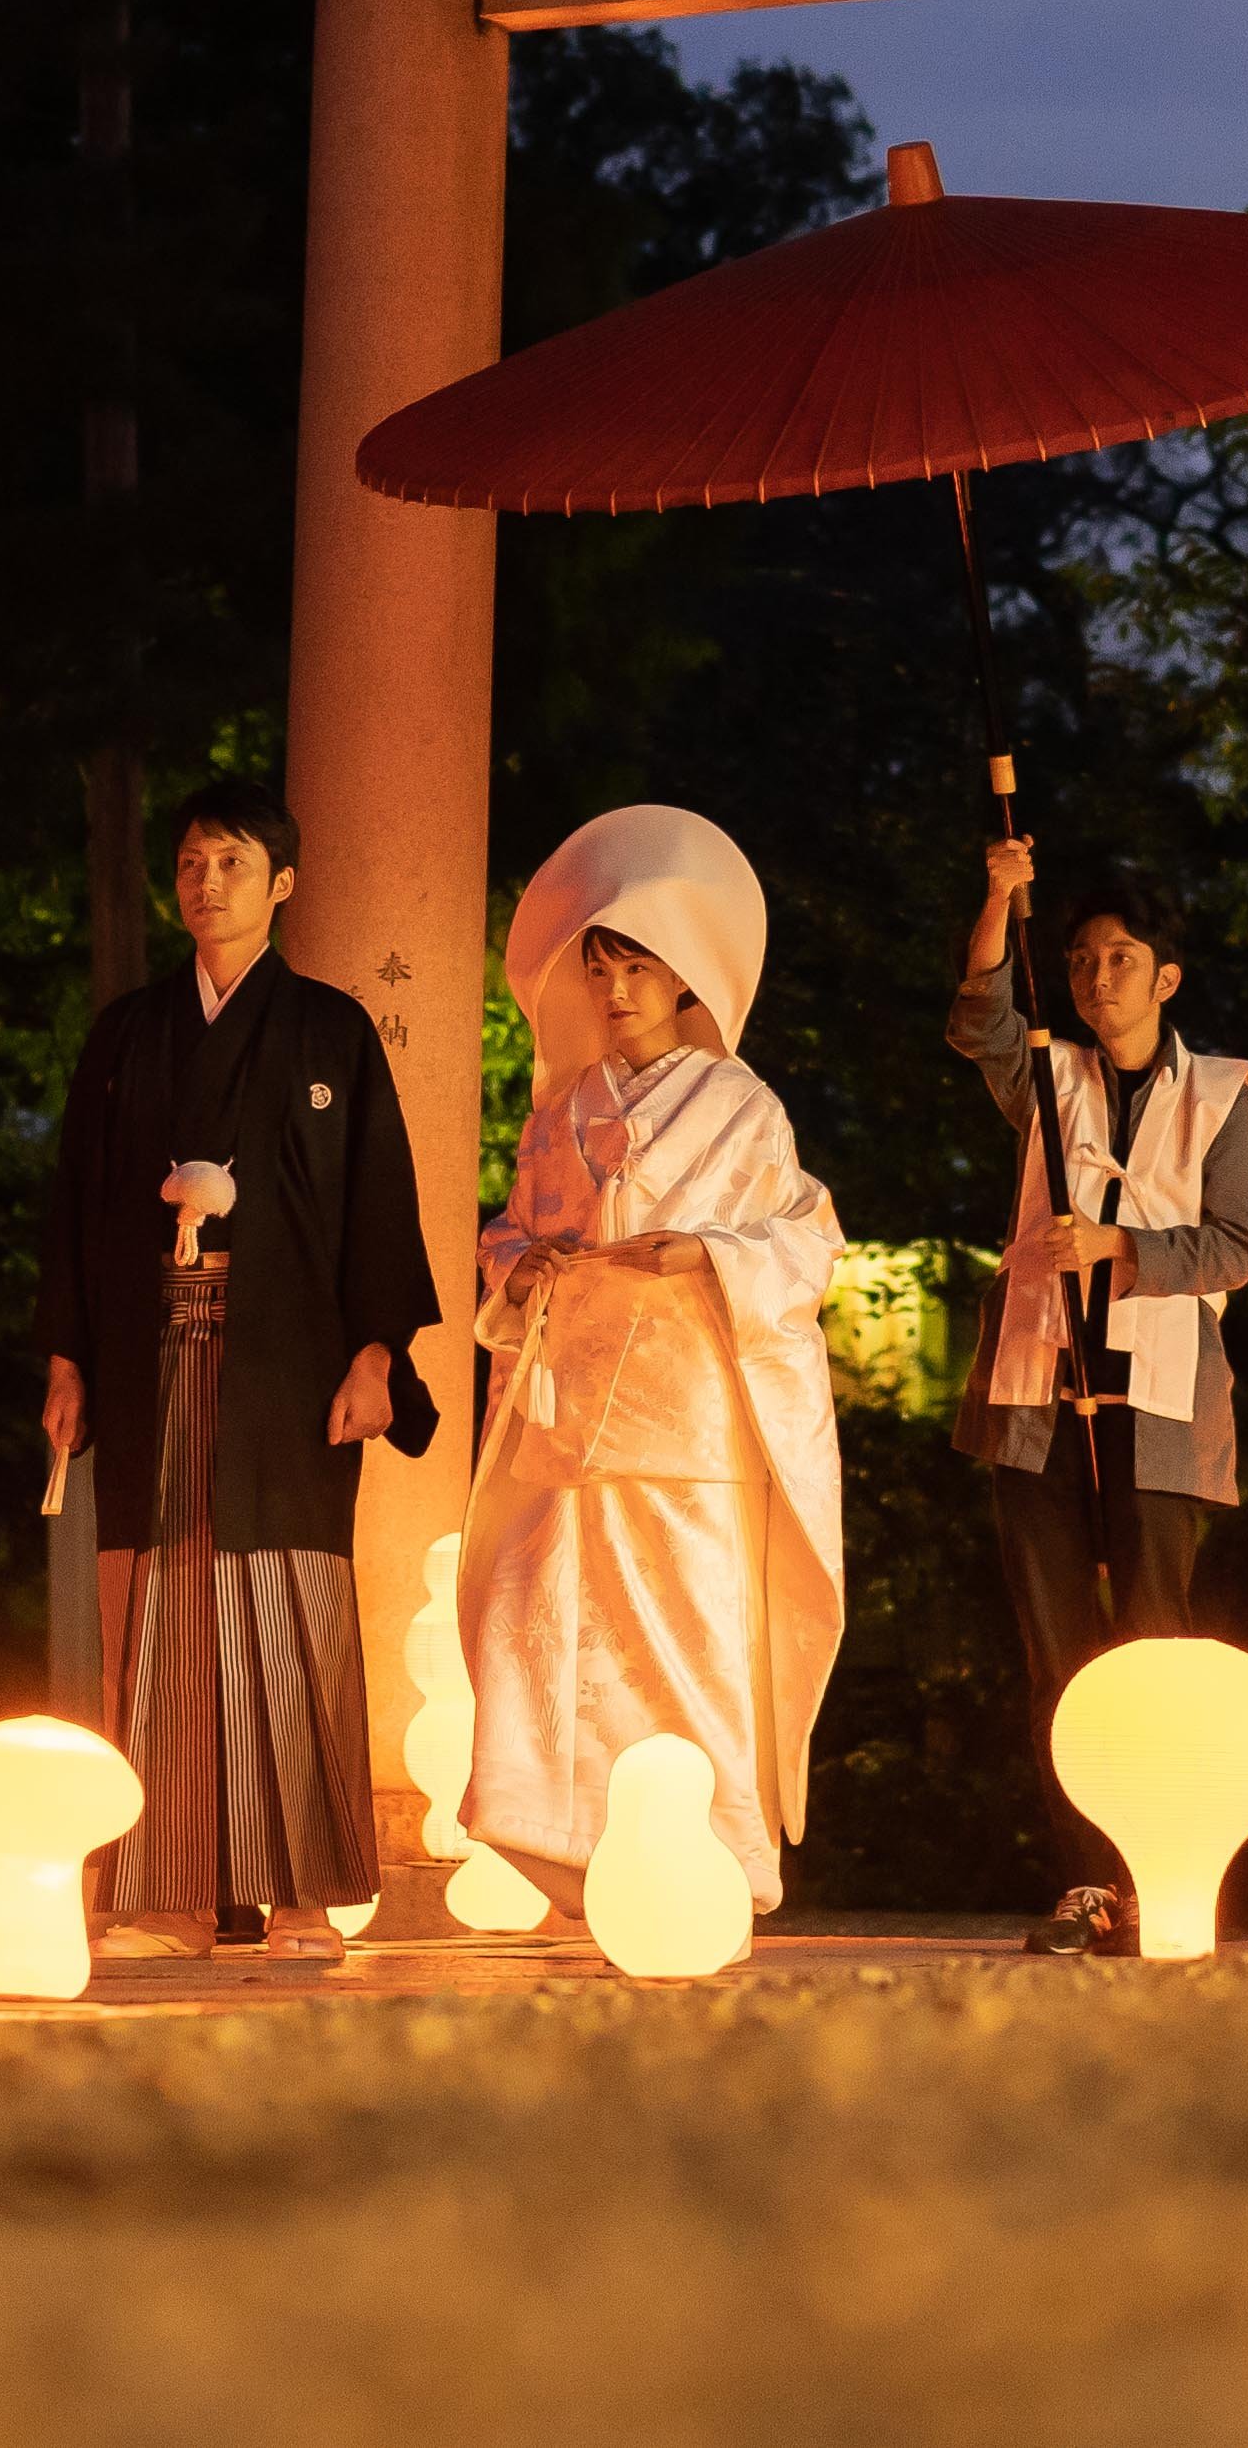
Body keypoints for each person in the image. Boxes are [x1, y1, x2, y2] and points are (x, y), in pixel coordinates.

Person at [35, 776, 441, 1950]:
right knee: (158, 1603)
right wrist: (67, 1352)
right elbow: (74, 1197)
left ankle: (305, 1886)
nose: (205, 882)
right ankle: (168, 1891)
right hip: (147, 1344)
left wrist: (376, 1347)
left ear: (284, 884)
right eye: (191, 862)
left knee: (288, 1597)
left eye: (230, 862)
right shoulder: (127, 1031)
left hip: (285, 1354)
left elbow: (376, 1197)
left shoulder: (329, 1030)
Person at [459, 805, 847, 1917]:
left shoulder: (742, 1107)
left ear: (686, 979)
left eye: (637, 965)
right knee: (539, 1630)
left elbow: (806, 1241)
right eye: (601, 963)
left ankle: (717, 1862)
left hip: (685, 1426)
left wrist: (704, 1253)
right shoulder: (563, 1109)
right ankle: (571, 1850)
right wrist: (524, 1264)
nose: (616, 988)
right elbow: (507, 1230)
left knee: (690, 1641)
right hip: (568, 1420)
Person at [951, 844, 1248, 1956]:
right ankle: (1085, 1880)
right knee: (1056, 1651)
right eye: (1080, 957)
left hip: (1162, 1401)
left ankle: (1160, 1872)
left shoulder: (1223, 1090)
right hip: (1038, 1386)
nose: (1095, 976)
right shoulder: (1050, 1073)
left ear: (1165, 977)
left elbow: (1233, 1246)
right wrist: (1001, 896)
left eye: (1120, 957)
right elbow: (980, 1015)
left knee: (1153, 1641)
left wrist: (1118, 1245)